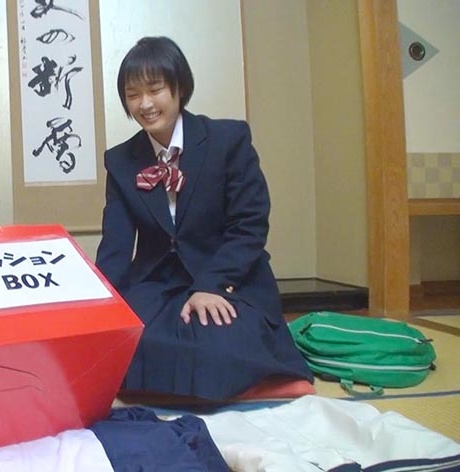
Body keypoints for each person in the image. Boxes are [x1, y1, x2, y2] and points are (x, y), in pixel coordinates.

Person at [95, 37, 312, 400]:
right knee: (125, 343)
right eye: (133, 94)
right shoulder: (121, 160)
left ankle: (263, 380)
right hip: (158, 282)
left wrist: (211, 285)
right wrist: (100, 308)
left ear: (179, 87)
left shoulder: (227, 139)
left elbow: (249, 224)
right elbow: (116, 245)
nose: (145, 104)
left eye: (155, 90)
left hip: (227, 275)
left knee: (216, 338)